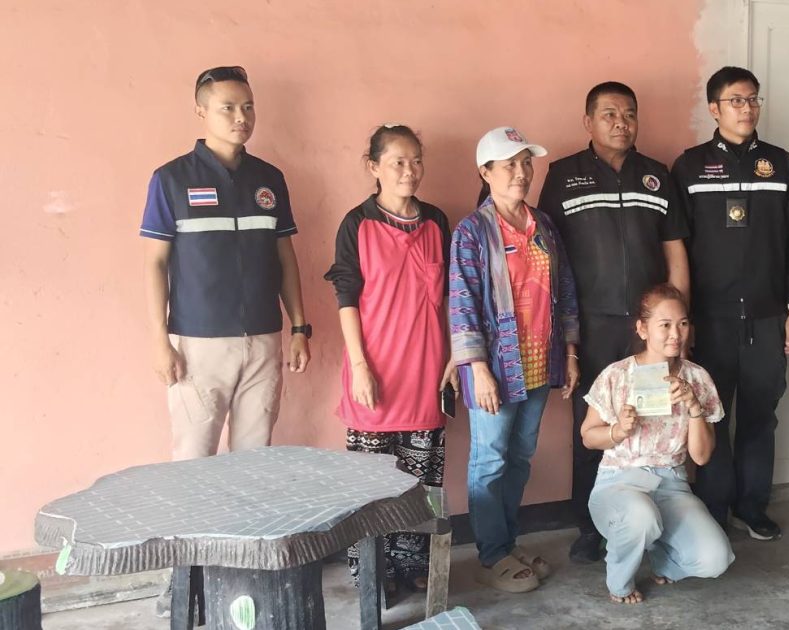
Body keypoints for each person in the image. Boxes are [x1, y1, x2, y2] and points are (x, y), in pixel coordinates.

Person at [139, 64, 311, 617]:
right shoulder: (171, 179)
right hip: (197, 346)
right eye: (228, 107)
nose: (241, 117)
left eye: (248, 106)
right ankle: (186, 583)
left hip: (263, 340)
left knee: (253, 463)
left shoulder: (270, 179)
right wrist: (159, 340)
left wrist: (299, 326)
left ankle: (242, 575)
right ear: (201, 112)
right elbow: (154, 264)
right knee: (193, 464)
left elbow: (286, 257)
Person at [538, 81, 690, 563]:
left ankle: (651, 520)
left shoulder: (656, 175)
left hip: (646, 331)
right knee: (594, 425)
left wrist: (677, 326)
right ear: (588, 122)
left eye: (629, 114)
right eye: (609, 114)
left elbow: (675, 253)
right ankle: (591, 526)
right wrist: (565, 335)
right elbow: (549, 257)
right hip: (591, 327)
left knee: (653, 420)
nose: (621, 123)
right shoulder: (564, 175)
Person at [670, 66, 789, 540]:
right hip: (710, 321)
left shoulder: (780, 164)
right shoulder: (689, 167)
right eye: (736, 100)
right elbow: (676, 247)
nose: (747, 108)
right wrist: (683, 322)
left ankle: (753, 507)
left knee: (759, 417)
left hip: (769, 318)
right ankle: (713, 511)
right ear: (714, 109)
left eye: (753, 99)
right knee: (710, 414)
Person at [324, 124, 456, 594]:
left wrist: (454, 356)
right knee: (372, 487)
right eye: (398, 161)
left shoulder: (436, 222)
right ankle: (372, 574)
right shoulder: (357, 224)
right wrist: (359, 366)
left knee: (421, 482)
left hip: (426, 375)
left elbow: (450, 297)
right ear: (374, 167)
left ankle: (415, 565)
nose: (409, 170)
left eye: (416, 160)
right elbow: (346, 298)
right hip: (374, 375)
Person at [449, 126, 581, 592]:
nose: (521, 172)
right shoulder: (472, 231)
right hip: (494, 368)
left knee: (520, 457)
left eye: (526, 163)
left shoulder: (543, 225)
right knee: (490, 460)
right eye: (509, 165)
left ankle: (507, 542)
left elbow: (565, 290)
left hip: (539, 363)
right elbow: (461, 302)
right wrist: (477, 368)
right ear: (485, 172)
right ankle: (491, 554)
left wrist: (569, 351)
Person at [581, 284, 733, 604]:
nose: (675, 334)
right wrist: (617, 431)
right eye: (664, 325)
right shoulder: (616, 375)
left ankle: (661, 559)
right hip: (618, 483)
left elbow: (701, 457)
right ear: (642, 329)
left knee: (715, 558)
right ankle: (620, 582)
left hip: (671, 484)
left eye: (683, 323)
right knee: (640, 515)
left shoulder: (697, 378)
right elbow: (588, 436)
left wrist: (693, 407)